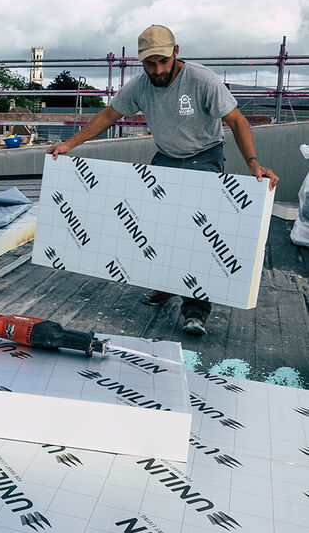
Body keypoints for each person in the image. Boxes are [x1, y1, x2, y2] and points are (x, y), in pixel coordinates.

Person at [48, 24, 279, 336]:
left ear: (176, 52)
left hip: (204, 155)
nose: (157, 70)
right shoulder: (141, 85)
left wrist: (253, 164)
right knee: (158, 229)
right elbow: (108, 115)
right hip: (167, 156)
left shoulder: (201, 80)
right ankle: (166, 284)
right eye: (149, 63)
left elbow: (236, 120)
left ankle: (195, 310)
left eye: (162, 62)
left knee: (199, 235)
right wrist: (70, 144)